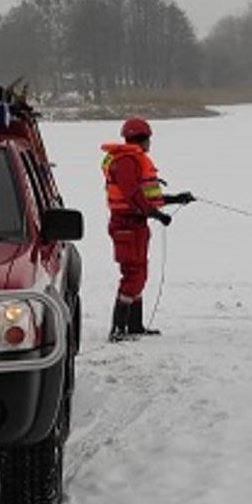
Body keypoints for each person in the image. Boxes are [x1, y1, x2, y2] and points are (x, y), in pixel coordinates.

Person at [101, 117, 194, 341]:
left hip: (136, 224)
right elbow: (134, 196)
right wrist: (157, 215)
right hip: (126, 225)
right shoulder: (127, 161)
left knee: (140, 273)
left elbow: (145, 196)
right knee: (133, 274)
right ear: (144, 139)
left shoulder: (132, 159)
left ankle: (134, 326)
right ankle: (118, 329)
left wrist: (176, 199)